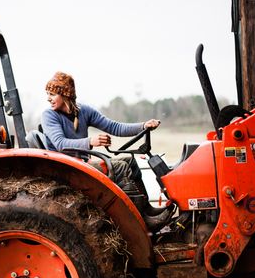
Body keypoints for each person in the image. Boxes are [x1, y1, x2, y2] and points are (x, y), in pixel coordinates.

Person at [41, 71, 173, 231]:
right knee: (120, 167)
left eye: (53, 94)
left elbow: (114, 127)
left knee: (129, 161)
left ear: (66, 94)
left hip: (82, 163)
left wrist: (143, 126)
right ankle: (141, 221)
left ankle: (147, 208)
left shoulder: (83, 111)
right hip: (68, 167)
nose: (48, 98)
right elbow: (61, 144)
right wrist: (91, 142)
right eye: (48, 94)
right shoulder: (49, 115)